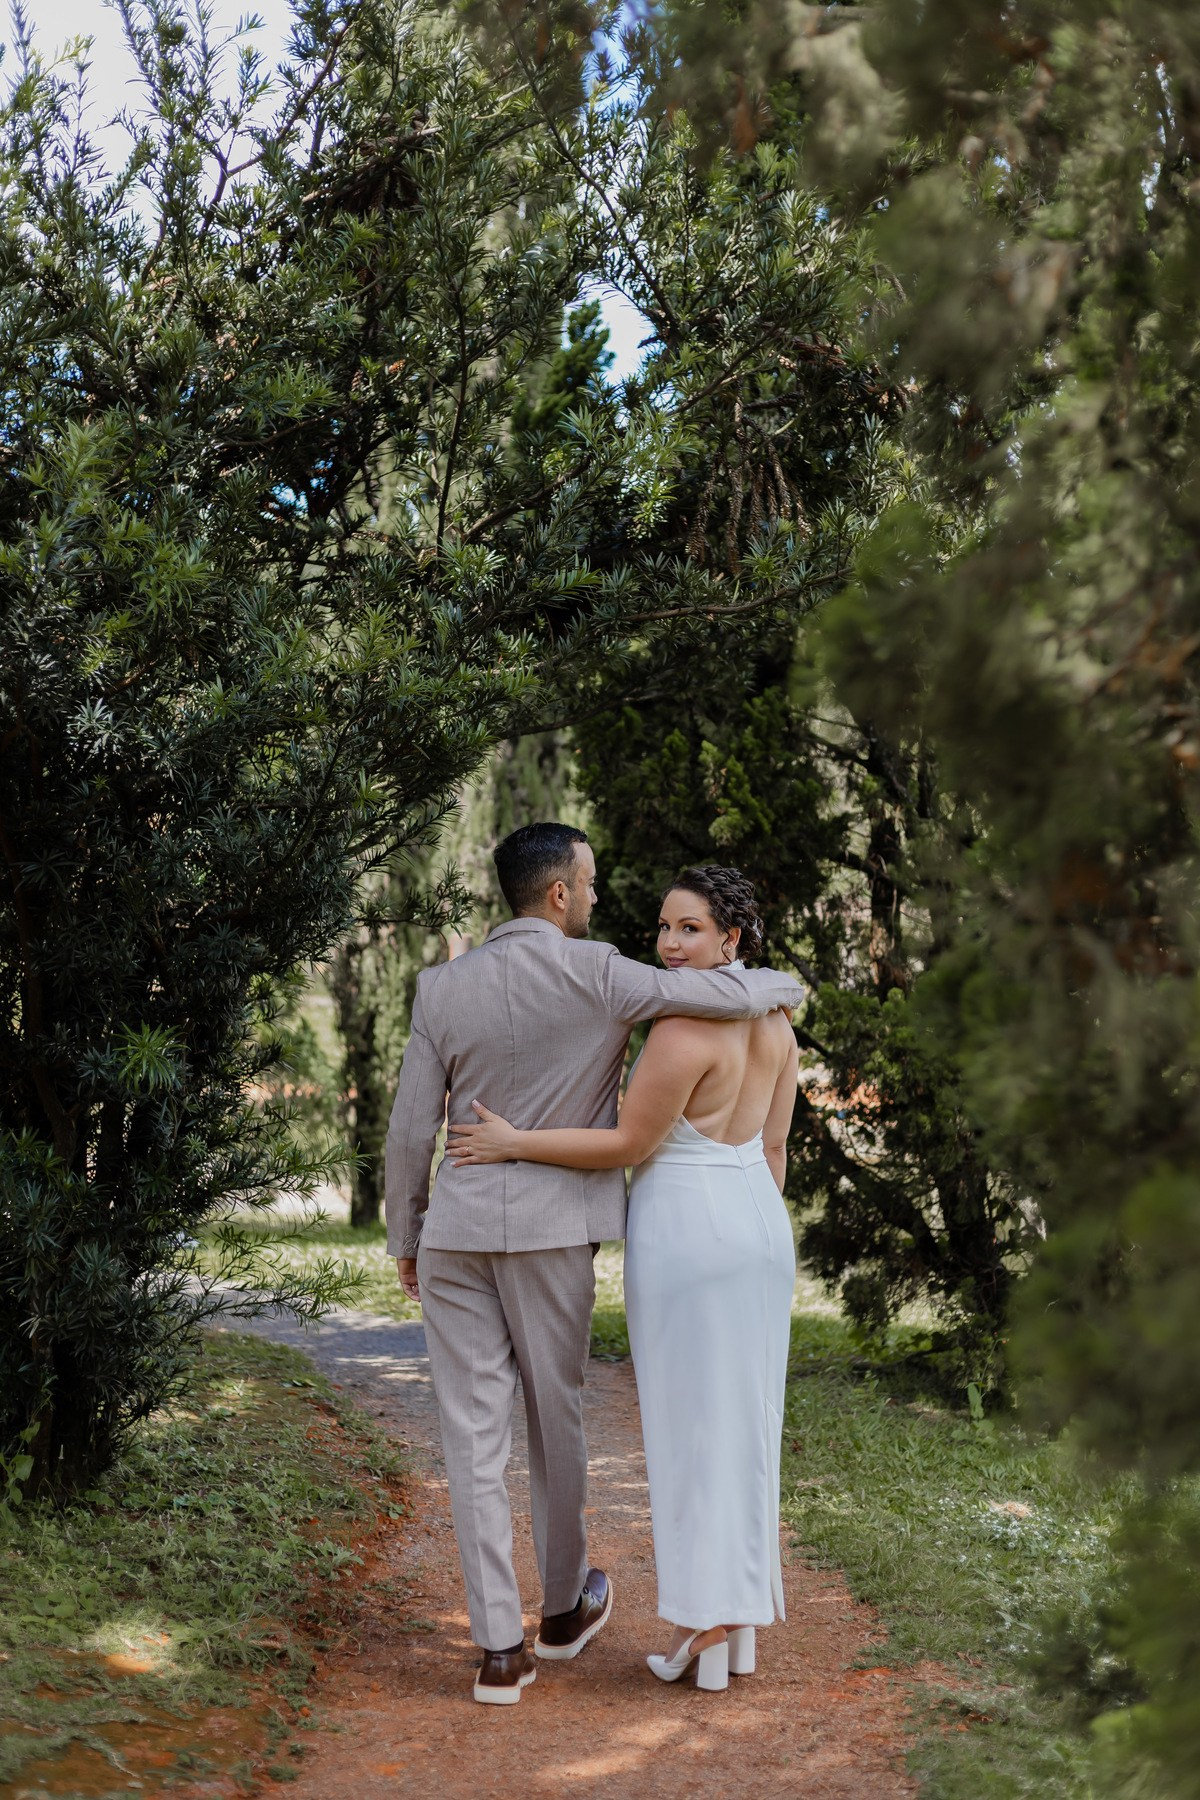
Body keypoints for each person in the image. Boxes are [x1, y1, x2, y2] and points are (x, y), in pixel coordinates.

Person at [385, 826, 802, 1704]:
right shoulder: (604, 972)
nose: (603, 898)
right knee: (554, 1416)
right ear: (561, 896)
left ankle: (500, 1650)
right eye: (593, 881)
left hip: (458, 1230)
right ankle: (566, 1608)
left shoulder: (440, 988)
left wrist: (406, 1237)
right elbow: (725, 998)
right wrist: (781, 980)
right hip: (550, 1232)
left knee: (470, 1433)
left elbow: (411, 1127)